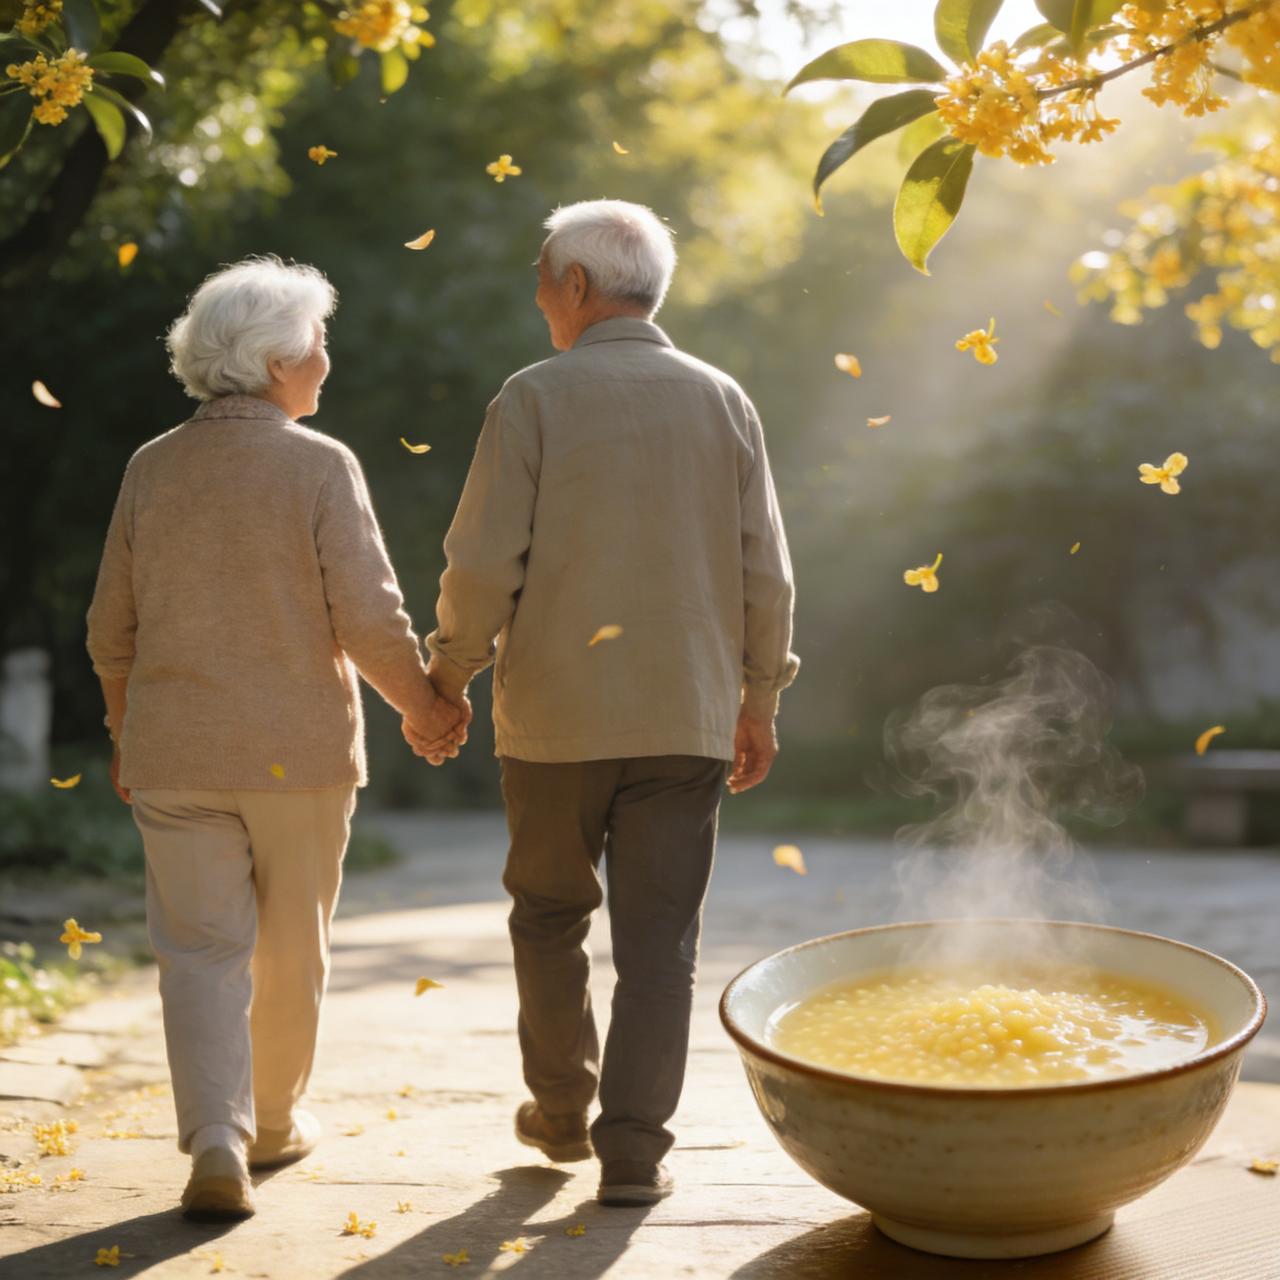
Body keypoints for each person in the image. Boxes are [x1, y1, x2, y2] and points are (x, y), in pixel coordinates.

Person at [407, 199, 799, 1206]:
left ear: (576, 285)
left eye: (544, 277)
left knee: (546, 914)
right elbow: (767, 574)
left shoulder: (532, 397)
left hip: (553, 724)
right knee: (659, 941)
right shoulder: (724, 399)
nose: (539, 295)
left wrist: (447, 675)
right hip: (687, 716)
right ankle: (632, 1151)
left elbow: (481, 561)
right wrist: (757, 695)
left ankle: (558, 1107)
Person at [86, 256, 465, 1220]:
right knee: (291, 943)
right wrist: (425, 708)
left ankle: (214, 1136)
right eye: (320, 342)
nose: (328, 360)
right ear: (281, 357)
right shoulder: (319, 464)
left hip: (175, 749)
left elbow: (110, 627)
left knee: (200, 949)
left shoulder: (150, 466)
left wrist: (124, 728)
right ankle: (271, 1126)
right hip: (299, 754)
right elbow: (370, 619)